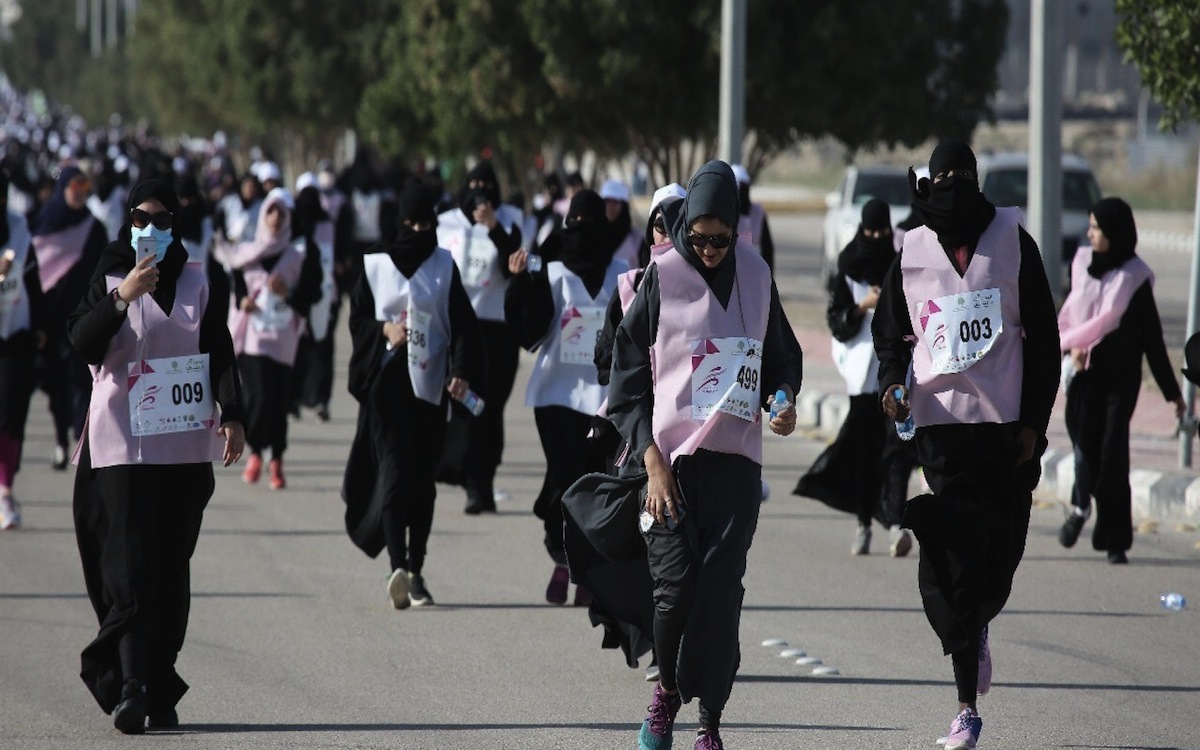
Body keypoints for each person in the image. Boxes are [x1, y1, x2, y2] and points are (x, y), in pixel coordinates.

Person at [872, 139, 1059, 750]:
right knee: (956, 557)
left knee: (999, 560)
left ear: (977, 180)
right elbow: (891, 335)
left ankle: (978, 624)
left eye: (963, 176)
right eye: (943, 177)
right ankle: (964, 708)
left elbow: (1045, 340)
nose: (953, 186)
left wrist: (1034, 421)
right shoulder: (912, 248)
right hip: (942, 431)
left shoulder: (1013, 242)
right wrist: (893, 384)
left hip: (1006, 434)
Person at [608, 160, 801, 750]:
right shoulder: (661, 278)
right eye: (700, 237)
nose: (712, 249)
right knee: (674, 591)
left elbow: (780, 356)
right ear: (685, 225)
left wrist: (783, 398)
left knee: (720, 597)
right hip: (667, 467)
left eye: (723, 238)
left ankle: (709, 723)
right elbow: (627, 379)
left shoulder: (758, 274)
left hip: (736, 468)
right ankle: (666, 692)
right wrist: (650, 459)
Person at [67, 178, 245, 733]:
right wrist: (123, 297)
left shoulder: (197, 280)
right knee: (126, 570)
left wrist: (235, 415)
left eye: (163, 220)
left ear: (176, 225)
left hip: (181, 449)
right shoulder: (111, 273)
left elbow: (219, 346)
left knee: (168, 569)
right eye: (141, 218)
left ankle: (160, 680)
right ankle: (131, 686)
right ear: (128, 222)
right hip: (120, 444)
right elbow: (81, 339)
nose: (151, 229)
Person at [343, 180, 482, 609]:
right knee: (394, 476)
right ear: (399, 222)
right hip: (386, 389)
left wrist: (461, 372)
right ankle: (397, 569)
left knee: (423, 482)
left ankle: (418, 571)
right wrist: (384, 330)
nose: (420, 230)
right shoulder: (374, 265)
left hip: (429, 389)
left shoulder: (444, 265)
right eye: (412, 223)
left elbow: (462, 325)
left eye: (427, 223)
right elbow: (358, 320)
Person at [505, 189, 627, 604]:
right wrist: (522, 284)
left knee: (595, 484)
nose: (581, 234)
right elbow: (530, 332)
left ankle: (586, 569)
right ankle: (562, 559)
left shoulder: (624, 273)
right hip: (556, 396)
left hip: (604, 402)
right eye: (574, 226)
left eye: (589, 226)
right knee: (565, 478)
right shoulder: (553, 272)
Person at [1056, 197, 1184, 563]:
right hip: (1083, 377)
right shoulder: (1080, 266)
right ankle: (1082, 506)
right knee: (1087, 453)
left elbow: (1153, 341)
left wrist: (1172, 394)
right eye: (1091, 226)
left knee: (1113, 455)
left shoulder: (1135, 278)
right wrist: (1070, 351)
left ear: (1115, 232)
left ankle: (1115, 540)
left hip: (1120, 383)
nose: (1090, 234)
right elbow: (1069, 320)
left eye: (1096, 228)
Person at [794, 199, 915, 557]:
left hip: (896, 372)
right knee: (864, 453)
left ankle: (895, 524)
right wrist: (863, 307)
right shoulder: (848, 266)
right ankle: (864, 524)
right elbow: (835, 320)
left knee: (896, 449)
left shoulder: (899, 262)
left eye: (882, 232)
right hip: (861, 376)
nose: (877, 238)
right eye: (871, 232)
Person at [436, 162, 523, 514]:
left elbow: (515, 267)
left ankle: (484, 481)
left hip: (498, 331)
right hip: (460, 332)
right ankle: (469, 479)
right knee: (467, 404)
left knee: (491, 409)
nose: (479, 193)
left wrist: (494, 228)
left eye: (486, 186)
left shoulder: (510, 220)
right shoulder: (446, 225)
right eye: (472, 185)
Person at [221, 189, 311, 490]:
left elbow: (313, 295)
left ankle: (277, 460)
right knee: (259, 396)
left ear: (288, 219)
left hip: (283, 338)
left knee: (278, 400)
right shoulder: (246, 253)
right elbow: (235, 288)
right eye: (271, 211)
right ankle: (257, 452)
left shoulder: (297, 256)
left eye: (281, 213)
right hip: (253, 337)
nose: (275, 218)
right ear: (263, 216)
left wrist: (290, 294)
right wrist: (243, 301)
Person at [31, 166, 108, 469]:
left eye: (84, 186)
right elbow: (32, 274)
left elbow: (105, 273)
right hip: (50, 321)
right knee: (56, 384)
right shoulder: (43, 225)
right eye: (74, 185)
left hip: (84, 319)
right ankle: (60, 440)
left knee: (82, 382)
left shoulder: (94, 228)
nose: (79, 191)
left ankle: (79, 439)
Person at [0, 170, 45, 530]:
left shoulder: (19, 228)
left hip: (16, 333)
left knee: (12, 415)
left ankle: (5, 491)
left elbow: (33, 278)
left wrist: (42, 326)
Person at [290, 180, 339, 421]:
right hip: (297, 297)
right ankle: (294, 398)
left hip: (326, 296)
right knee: (296, 348)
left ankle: (322, 398)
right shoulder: (293, 227)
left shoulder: (328, 226)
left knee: (323, 348)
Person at [730, 164, 775, 272]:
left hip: (754, 269)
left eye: (743, 187)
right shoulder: (726, 213)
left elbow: (767, 247)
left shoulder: (758, 212)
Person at [600, 179, 645, 270]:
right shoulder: (592, 236)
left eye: (615, 202)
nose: (610, 206)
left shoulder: (637, 239)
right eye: (607, 201)